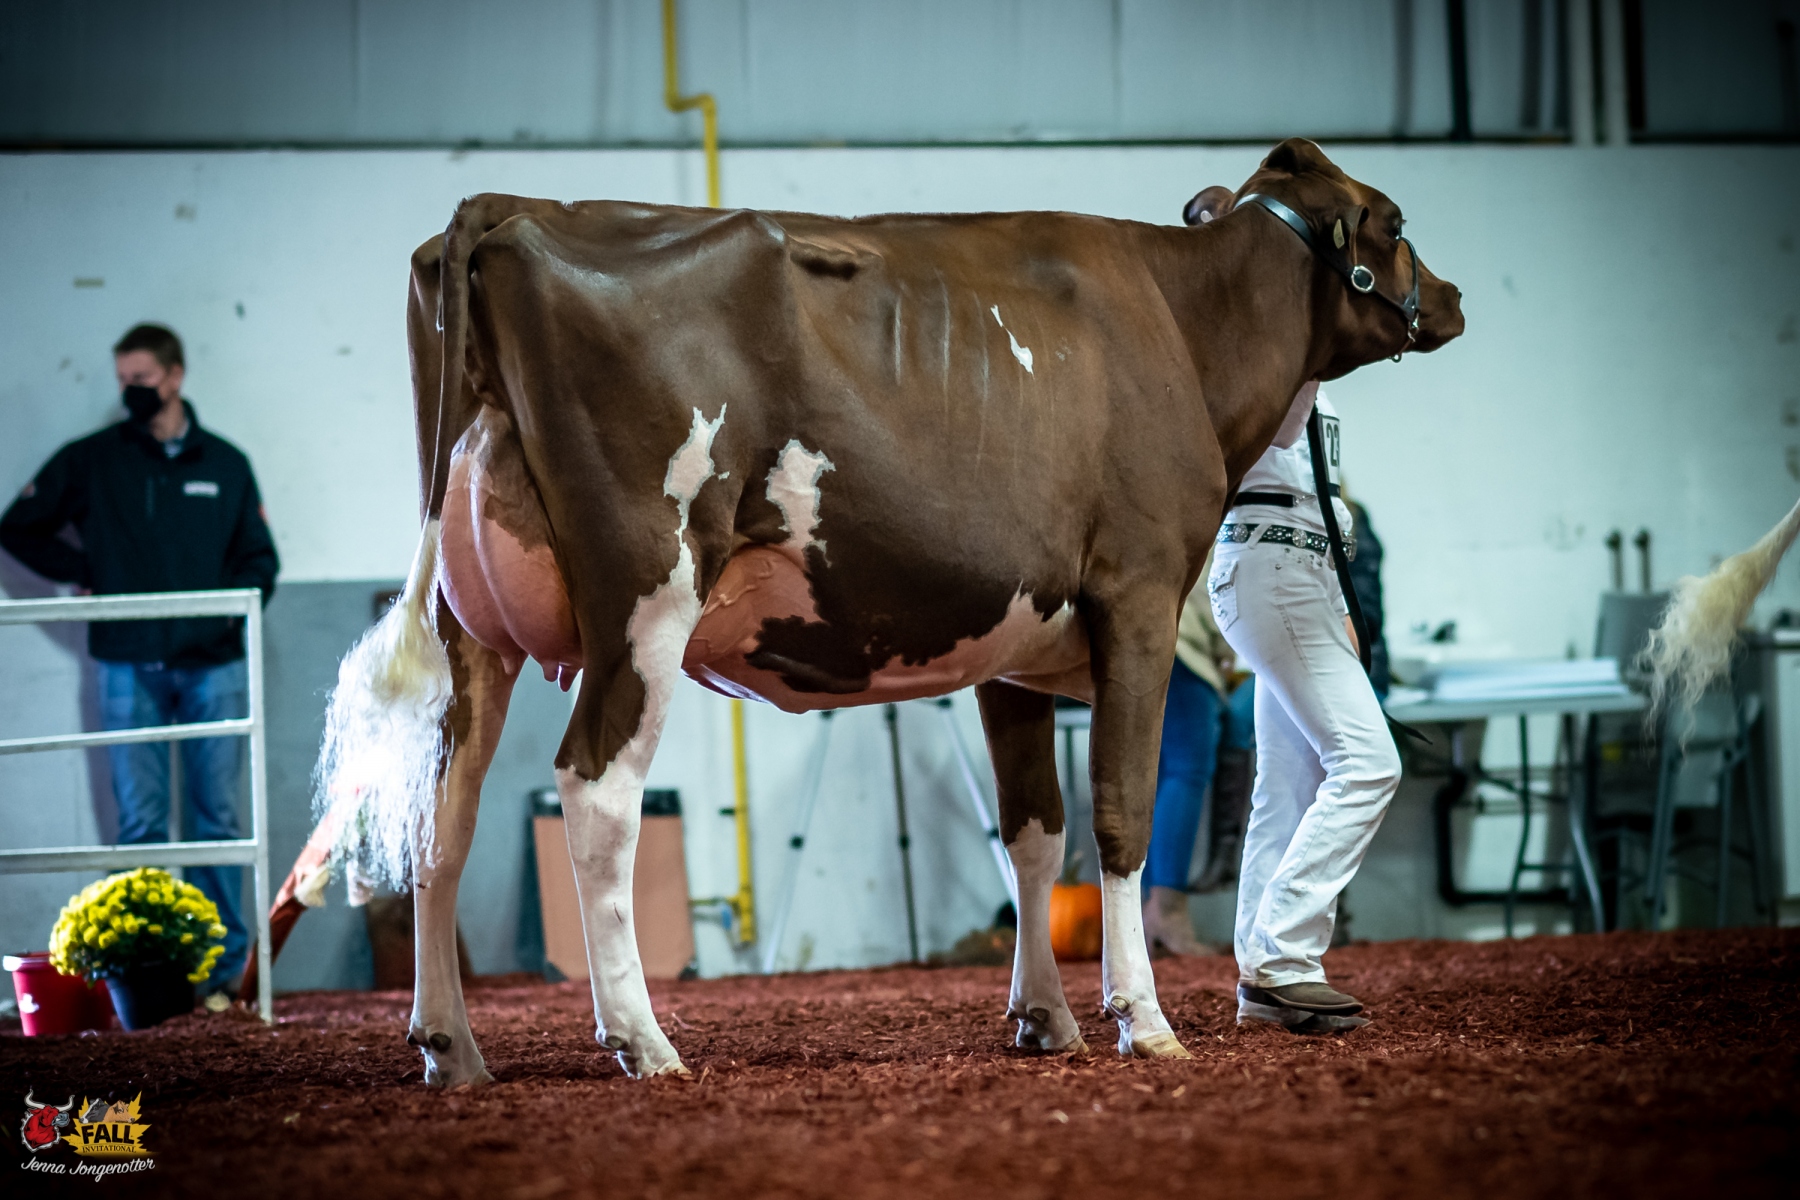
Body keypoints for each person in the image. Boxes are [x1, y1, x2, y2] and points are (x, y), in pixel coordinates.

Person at [1, 324, 278, 996]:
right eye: (123, 381)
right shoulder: (93, 460)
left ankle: (225, 976)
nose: (132, 392)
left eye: (143, 379)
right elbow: (17, 527)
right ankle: (145, 978)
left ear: (175, 377)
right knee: (142, 826)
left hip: (213, 666)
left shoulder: (226, 463)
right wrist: (84, 573)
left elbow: (259, 561)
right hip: (126, 662)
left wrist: (218, 618)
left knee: (218, 823)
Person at [1207, 381, 1399, 1031]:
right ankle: (1283, 954)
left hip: (1300, 572)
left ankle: (1265, 977)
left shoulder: (1317, 377)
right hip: (1274, 567)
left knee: (1287, 785)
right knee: (1369, 764)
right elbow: (1282, 427)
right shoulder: (1275, 357)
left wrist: (1340, 602)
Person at [1140, 557, 1255, 956]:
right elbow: (1211, 584)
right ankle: (1168, 912)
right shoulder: (1205, 513)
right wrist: (1227, 644)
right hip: (1179, 644)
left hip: (1131, 639)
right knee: (1187, 770)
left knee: (1154, 776)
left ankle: (1145, 916)